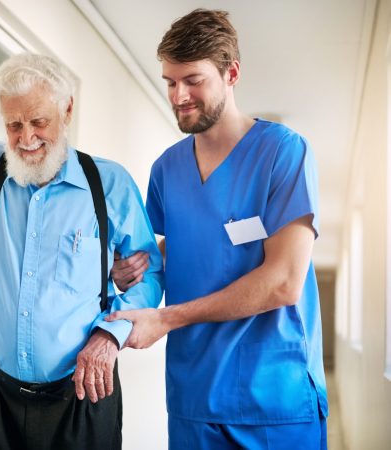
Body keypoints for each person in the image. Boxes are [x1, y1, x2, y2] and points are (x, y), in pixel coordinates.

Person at [108, 9, 329, 449]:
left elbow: (284, 282)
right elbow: (177, 249)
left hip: (274, 400)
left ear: (232, 73)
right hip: (194, 396)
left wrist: (166, 318)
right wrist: (124, 272)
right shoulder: (167, 170)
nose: (179, 95)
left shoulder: (282, 154)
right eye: (170, 82)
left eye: (193, 80)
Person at [0, 52, 163, 449]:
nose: (26, 138)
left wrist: (110, 336)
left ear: (67, 110)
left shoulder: (110, 184)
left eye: (39, 122)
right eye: (14, 124)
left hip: (84, 392)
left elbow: (148, 276)